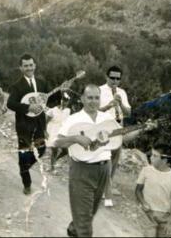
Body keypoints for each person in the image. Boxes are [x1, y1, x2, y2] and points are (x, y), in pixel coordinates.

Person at [54, 84, 152, 237]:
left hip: (104, 170)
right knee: (86, 226)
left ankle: (75, 228)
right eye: (90, 97)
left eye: (96, 98)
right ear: (82, 99)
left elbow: (123, 137)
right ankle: (81, 229)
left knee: (90, 211)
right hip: (82, 171)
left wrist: (143, 128)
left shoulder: (107, 118)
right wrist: (76, 138)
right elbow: (57, 142)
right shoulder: (74, 119)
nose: (93, 101)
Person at [7, 54, 59, 195]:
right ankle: (27, 183)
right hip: (24, 125)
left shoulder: (42, 83)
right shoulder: (17, 86)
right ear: (21, 67)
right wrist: (27, 108)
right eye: (26, 65)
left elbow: (52, 98)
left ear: (35, 65)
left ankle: (23, 166)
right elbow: (10, 103)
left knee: (40, 150)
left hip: (40, 123)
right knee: (24, 153)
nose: (29, 68)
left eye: (31, 65)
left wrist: (62, 90)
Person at [99, 66, 131, 207]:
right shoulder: (99, 90)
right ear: (107, 77)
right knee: (105, 160)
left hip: (118, 128)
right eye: (112, 78)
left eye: (118, 78)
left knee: (115, 160)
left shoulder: (122, 92)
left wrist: (120, 104)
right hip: (104, 129)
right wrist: (108, 106)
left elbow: (128, 112)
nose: (115, 81)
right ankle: (106, 192)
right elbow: (92, 110)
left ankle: (106, 187)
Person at [135, 144, 171, 237]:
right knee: (149, 234)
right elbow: (138, 190)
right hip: (147, 214)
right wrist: (143, 203)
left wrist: (170, 221)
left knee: (170, 233)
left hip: (165, 216)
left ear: (164, 160)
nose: (151, 158)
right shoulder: (146, 170)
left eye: (155, 156)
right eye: (152, 155)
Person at [45, 92, 71, 172]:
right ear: (61, 100)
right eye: (63, 100)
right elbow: (45, 122)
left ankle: (55, 160)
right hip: (52, 132)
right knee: (55, 150)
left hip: (62, 133)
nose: (65, 103)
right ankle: (52, 168)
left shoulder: (68, 111)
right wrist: (45, 132)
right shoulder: (53, 110)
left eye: (67, 101)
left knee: (66, 150)